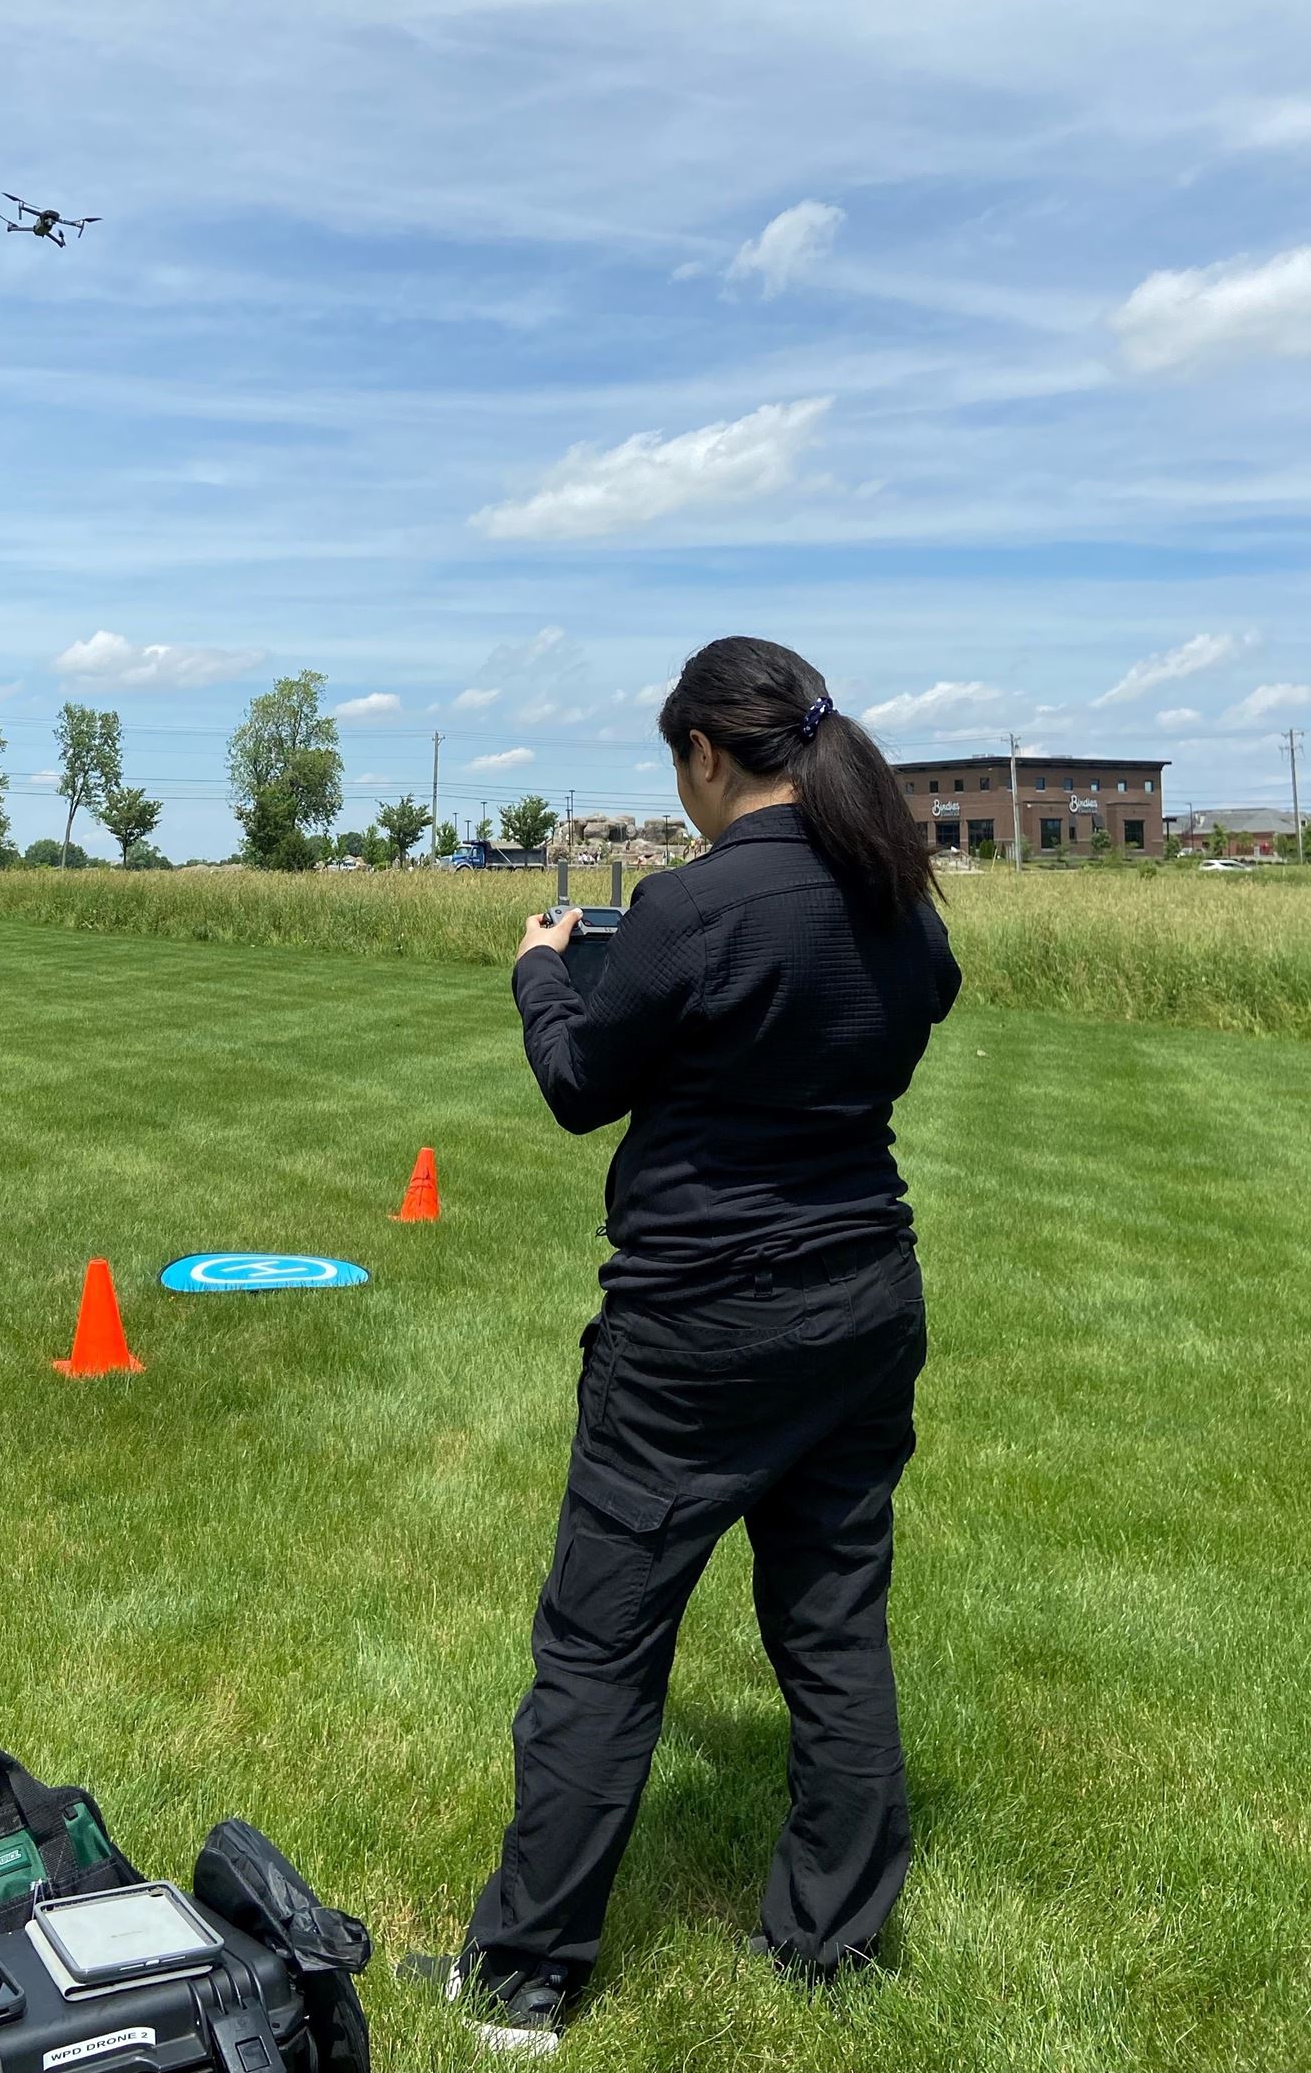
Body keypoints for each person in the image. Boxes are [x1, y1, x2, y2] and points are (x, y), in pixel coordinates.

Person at [403, 636, 962, 2050]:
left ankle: (523, 1979)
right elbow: (914, 1006)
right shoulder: (896, 898)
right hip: (863, 1300)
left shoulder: (688, 904)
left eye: (679, 766)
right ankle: (829, 1949)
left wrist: (541, 975)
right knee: (833, 1623)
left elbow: (581, 1084)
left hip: (698, 1326)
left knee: (600, 1646)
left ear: (706, 755)